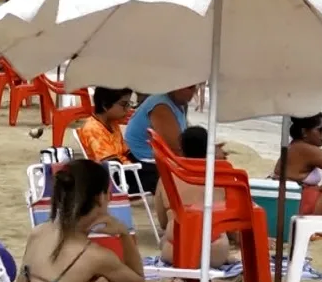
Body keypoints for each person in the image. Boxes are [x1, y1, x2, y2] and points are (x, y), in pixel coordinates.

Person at [16, 159, 146, 282]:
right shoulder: (94, 255)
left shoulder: (38, 232)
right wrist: (124, 234)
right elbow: (137, 279)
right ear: (101, 198)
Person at [155, 126, 233, 267]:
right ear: (209, 149)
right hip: (213, 250)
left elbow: (162, 221)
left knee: (165, 239)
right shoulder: (222, 176)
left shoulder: (167, 178)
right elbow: (234, 224)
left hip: (176, 252)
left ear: (181, 149)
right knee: (220, 238)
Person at [123, 86, 194, 192]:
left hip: (152, 159)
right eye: (190, 88)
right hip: (143, 164)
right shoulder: (161, 106)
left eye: (195, 89)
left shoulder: (178, 104)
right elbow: (176, 148)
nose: (193, 93)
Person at [76, 86, 142, 184]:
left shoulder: (112, 123)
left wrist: (143, 164)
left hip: (126, 170)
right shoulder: (93, 129)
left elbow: (127, 152)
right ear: (105, 105)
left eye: (129, 104)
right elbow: (112, 164)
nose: (127, 109)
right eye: (124, 104)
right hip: (114, 178)